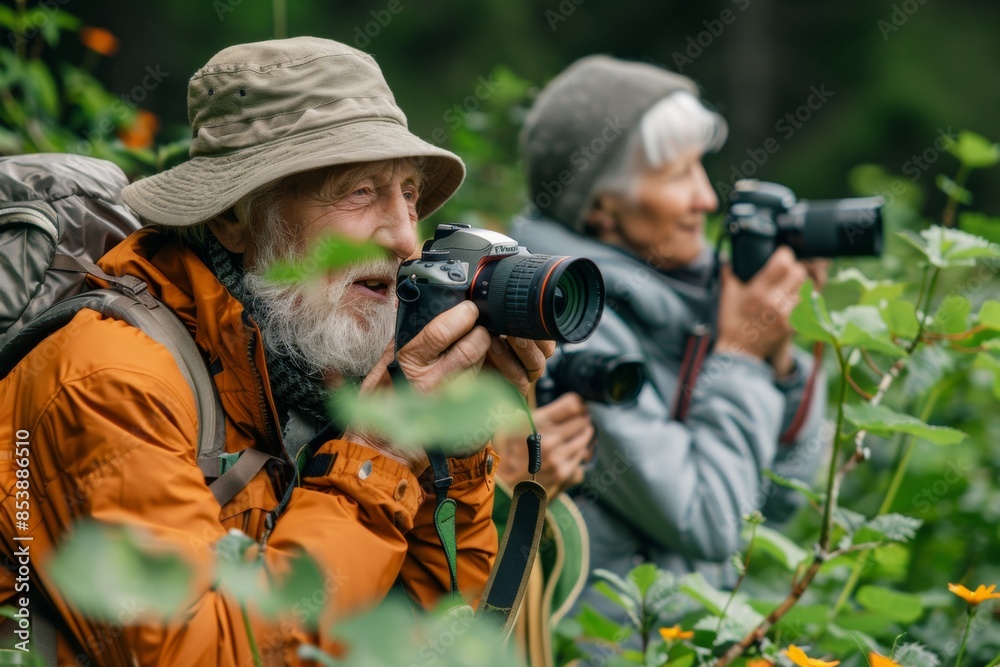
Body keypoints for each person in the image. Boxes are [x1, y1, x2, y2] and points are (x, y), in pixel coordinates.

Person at [0, 37, 553, 665]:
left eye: (408, 193)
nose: (405, 239)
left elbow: (429, 644)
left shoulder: (309, 358)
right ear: (236, 217)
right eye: (359, 191)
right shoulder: (109, 380)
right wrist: (376, 459)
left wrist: (447, 451)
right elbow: (200, 655)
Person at [510, 55, 830, 626]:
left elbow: (778, 504)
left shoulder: (684, 299)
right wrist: (739, 357)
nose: (707, 198)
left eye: (701, 167)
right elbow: (712, 521)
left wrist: (776, 360)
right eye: (678, 175)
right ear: (600, 205)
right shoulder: (568, 323)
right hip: (612, 650)